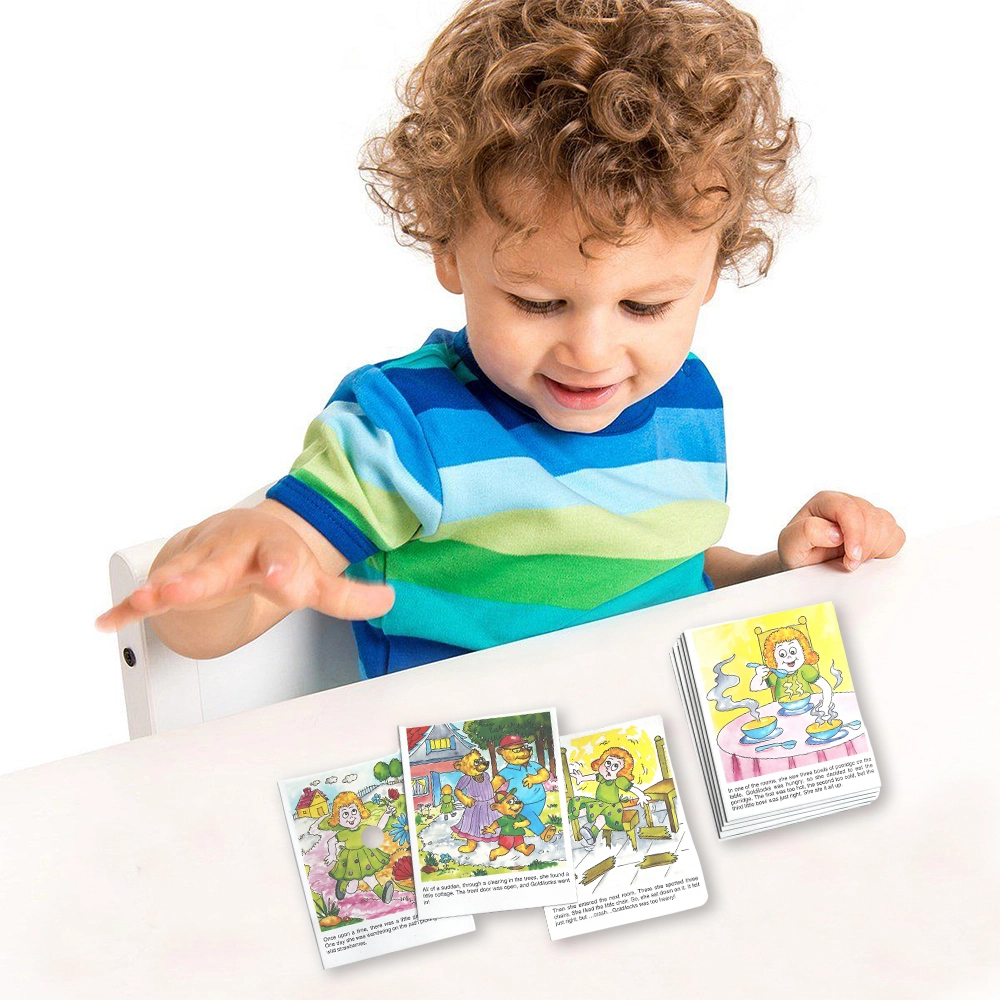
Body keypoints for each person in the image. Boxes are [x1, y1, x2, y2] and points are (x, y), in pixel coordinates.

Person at [95, 0, 905, 678]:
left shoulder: (686, 404)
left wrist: (776, 571)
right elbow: (195, 630)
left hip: (648, 772)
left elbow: (674, 576)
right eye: (537, 302)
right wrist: (247, 562)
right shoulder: (406, 430)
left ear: (712, 274)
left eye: (645, 306)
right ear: (450, 249)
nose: (592, 351)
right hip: (479, 796)